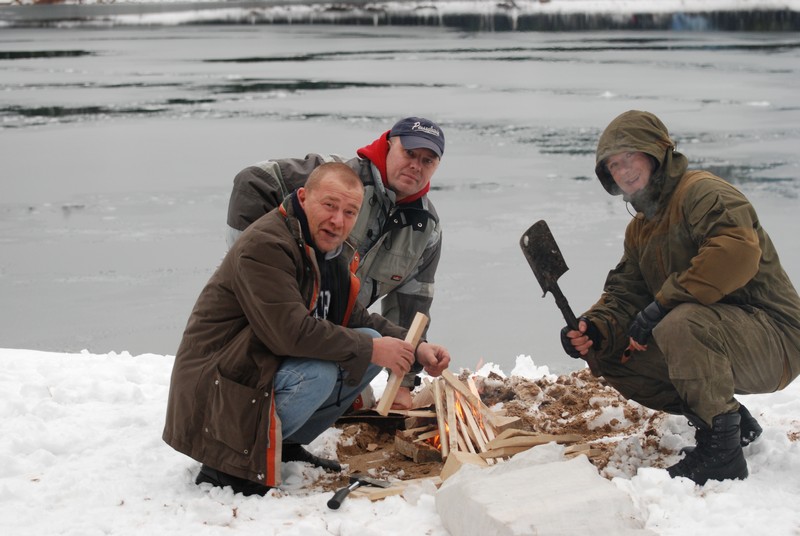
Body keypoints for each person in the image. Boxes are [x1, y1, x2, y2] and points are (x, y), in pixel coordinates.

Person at [163, 163, 451, 496]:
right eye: (329, 206)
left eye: (349, 212)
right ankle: (224, 465)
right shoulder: (267, 246)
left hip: (254, 368)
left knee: (370, 340)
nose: (338, 220)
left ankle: (284, 443)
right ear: (303, 196)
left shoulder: (329, 251)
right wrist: (372, 350)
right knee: (322, 371)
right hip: (215, 392)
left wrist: (414, 348)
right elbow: (289, 333)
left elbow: (355, 319)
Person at [560, 110, 800, 486]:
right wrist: (596, 328)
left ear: (656, 153)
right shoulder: (641, 227)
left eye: (629, 158)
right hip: (721, 337)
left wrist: (664, 302)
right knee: (613, 352)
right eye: (613, 165)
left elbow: (736, 251)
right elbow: (626, 291)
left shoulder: (703, 192)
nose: (623, 171)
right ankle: (728, 423)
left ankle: (722, 456)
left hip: (777, 339)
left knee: (679, 321)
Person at [225, 116, 446, 409]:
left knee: (366, 342)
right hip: (284, 317)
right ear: (389, 145)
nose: (416, 165)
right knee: (316, 368)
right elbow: (253, 180)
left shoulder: (426, 230)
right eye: (409, 153)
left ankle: (301, 424)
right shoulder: (340, 178)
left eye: (427, 160)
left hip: (337, 324)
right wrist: (260, 262)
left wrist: (402, 383)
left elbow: (412, 306)